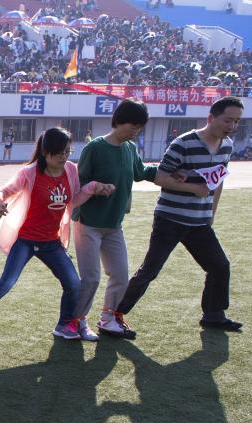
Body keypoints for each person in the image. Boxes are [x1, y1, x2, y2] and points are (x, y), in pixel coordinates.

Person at [0, 127, 114, 348]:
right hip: (26, 240)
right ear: (45, 153)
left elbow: (72, 200)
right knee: (6, 283)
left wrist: (93, 188)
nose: (64, 157)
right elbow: (4, 191)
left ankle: (64, 325)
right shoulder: (29, 173)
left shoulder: (70, 170)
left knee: (73, 284)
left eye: (67, 152)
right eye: (59, 153)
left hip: (51, 242)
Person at [114, 97, 243, 333]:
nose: (232, 126)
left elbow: (219, 180)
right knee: (150, 270)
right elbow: (161, 177)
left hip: (199, 222)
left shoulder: (227, 146)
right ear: (211, 118)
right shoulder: (183, 143)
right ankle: (115, 314)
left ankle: (213, 315)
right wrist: (193, 188)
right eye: (228, 120)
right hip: (170, 219)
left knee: (219, 266)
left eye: (236, 121)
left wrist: (211, 212)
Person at [73, 99, 164, 340]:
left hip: (114, 225)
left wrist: (169, 170)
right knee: (91, 278)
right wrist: (96, 187)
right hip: (88, 223)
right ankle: (77, 321)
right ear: (119, 122)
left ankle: (108, 319)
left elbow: (141, 172)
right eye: (133, 126)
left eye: (139, 128)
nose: (135, 132)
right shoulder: (95, 148)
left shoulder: (130, 149)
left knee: (120, 275)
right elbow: (79, 182)